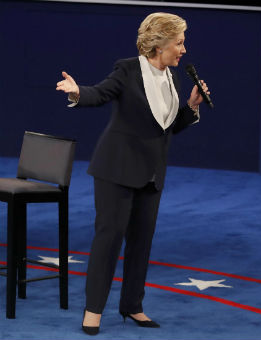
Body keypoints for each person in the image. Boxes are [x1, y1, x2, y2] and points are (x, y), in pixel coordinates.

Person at [55, 12, 210, 335]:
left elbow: (164, 128)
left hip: (151, 174)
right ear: (159, 44)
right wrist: (76, 92)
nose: (184, 49)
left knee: (141, 242)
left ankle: (132, 306)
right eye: (179, 43)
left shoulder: (174, 77)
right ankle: (93, 310)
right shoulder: (127, 69)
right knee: (108, 240)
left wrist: (191, 107)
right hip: (116, 169)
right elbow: (101, 93)